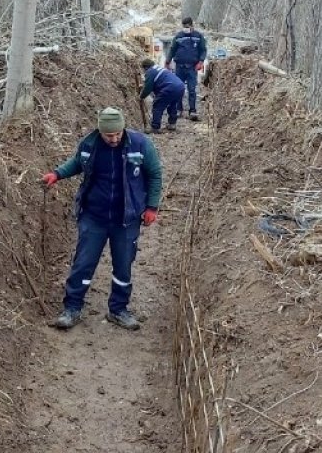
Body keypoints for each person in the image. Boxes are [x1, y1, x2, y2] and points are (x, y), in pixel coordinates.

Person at [41, 108, 163, 331]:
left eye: (117, 134)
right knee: (83, 264)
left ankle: (118, 309)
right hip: (94, 216)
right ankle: (72, 308)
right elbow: (77, 163)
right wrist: (57, 174)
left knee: (123, 265)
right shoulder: (90, 144)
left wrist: (152, 207)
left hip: (126, 219)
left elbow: (155, 174)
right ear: (100, 131)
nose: (114, 139)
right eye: (109, 135)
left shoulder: (140, 144)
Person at [165, 17, 208, 120]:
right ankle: (179, 110)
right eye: (184, 26)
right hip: (179, 67)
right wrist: (167, 61)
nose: (185, 28)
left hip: (192, 68)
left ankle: (192, 111)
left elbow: (203, 50)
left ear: (192, 25)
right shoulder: (178, 36)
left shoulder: (198, 36)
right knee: (179, 89)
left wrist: (201, 61)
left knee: (192, 89)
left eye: (187, 26)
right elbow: (172, 49)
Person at [140, 58, 186, 134]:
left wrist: (141, 96)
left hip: (170, 87)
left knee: (157, 106)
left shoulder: (150, 72)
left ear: (145, 67)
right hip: (180, 86)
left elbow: (148, 88)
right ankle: (172, 124)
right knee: (172, 104)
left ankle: (155, 127)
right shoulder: (159, 68)